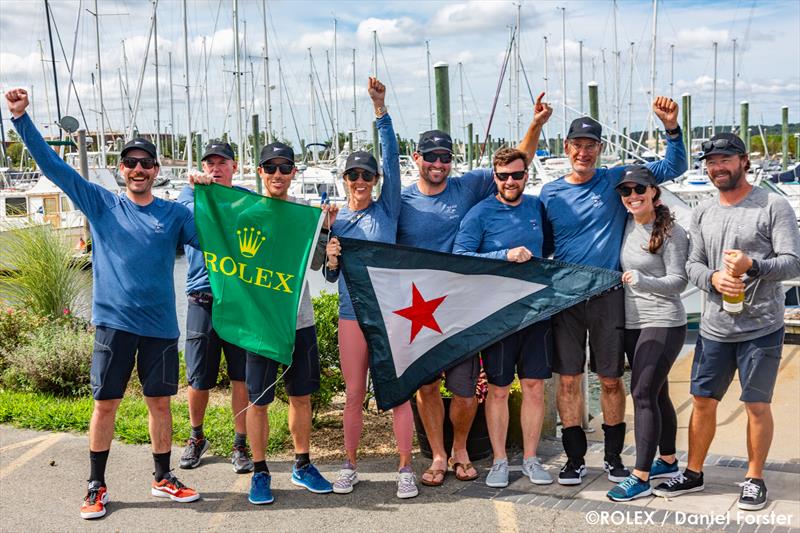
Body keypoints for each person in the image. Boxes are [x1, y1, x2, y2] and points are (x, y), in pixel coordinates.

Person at [6, 88, 200, 520]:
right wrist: (21, 120)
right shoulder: (102, 203)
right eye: (130, 163)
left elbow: (220, 239)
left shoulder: (175, 215)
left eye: (145, 163)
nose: (137, 169)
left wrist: (204, 192)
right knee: (105, 405)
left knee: (161, 404)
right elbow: (55, 169)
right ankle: (96, 485)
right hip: (114, 325)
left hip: (161, 328)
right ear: (121, 168)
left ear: (156, 169)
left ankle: (162, 478)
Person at [398, 95, 553, 487]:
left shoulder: (469, 187)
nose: (437, 164)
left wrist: (535, 124)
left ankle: (461, 449)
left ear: (451, 161)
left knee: (466, 390)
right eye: (430, 157)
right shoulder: (400, 201)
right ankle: (436, 454)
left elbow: (517, 160)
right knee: (427, 386)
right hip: (419, 307)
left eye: (444, 157)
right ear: (416, 158)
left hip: (463, 307)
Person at [539, 97, 687, 486]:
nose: (583, 152)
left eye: (591, 146)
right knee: (569, 379)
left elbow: (674, 167)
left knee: (609, 379)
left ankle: (611, 457)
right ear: (566, 147)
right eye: (577, 145)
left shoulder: (616, 179)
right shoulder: (550, 193)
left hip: (608, 295)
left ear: (600, 150)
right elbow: (541, 241)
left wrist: (672, 128)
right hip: (566, 297)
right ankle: (574, 459)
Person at [653, 133, 800, 511]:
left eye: (725, 159)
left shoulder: (773, 205)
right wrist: (713, 279)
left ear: (743, 160)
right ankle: (693, 473)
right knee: (702, 400)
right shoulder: (703, 211)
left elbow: (793, 263)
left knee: (755, 405)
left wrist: (754, 266)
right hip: (714, 328)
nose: (718, 167)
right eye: (711, 161)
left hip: (762, 327)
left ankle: (754, 478)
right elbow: (692, 265)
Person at [324, 78, 418, 499]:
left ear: (376, 179)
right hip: (350, 316)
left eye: (367, 174)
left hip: (390, 315)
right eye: (353, 175)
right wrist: (329, 255)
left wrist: (380, 110)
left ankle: (404, 468)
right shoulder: (334, 220)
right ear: (344, 179)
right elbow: (327, 275)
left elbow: (394, 161)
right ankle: (349, 465)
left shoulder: (388, 208)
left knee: (397, 392)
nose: (360, 180)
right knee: (354, 394)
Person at [232, 140, 336, 504]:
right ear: (260, 172)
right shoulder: (246, 214)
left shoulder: (305, 214)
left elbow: (316, 265)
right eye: (271, 167)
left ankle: (302, 464)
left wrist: (326, 233)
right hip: (260, 322)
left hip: (299, 320)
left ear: (294, 173)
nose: (278, 174)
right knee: (257, 400)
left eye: (285, 168)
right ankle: (260, 472)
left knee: (301, 396)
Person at [452, 147, 553, 488]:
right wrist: (504, 256)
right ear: (494, 177)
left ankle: (530, 458)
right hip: (496, 314)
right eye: (504, 176)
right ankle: (498, 461)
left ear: (527, 175)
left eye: (517, 175)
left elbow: (550, 249)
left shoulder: (537, 207)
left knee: (534, 387)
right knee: (497, 389)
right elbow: (460, 256)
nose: (511, 181)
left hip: (536, 311)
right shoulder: (479, 213)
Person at [605, 166, 689, 502]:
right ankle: (667, 460)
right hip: (632, 323)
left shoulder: (671, 232)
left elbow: (680, 281)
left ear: (654, 191)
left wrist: (644, 281)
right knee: (657, 393)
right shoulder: (625, 224)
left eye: (639, 188)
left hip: (664, 321)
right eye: (626, 191)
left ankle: (639, 476)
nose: (633, 196)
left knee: (641, 394)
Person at [175, 142, 253, 473]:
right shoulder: (188, 195)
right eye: (210, 163)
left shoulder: (246, 198)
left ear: (234, 167)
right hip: (202, 298)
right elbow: (188, 222)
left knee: (241, 377)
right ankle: (196, 437)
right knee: (198, 379)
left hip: (238, 300)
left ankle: (240, 444)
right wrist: (198, 189)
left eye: (222, 162)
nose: (215, 168)